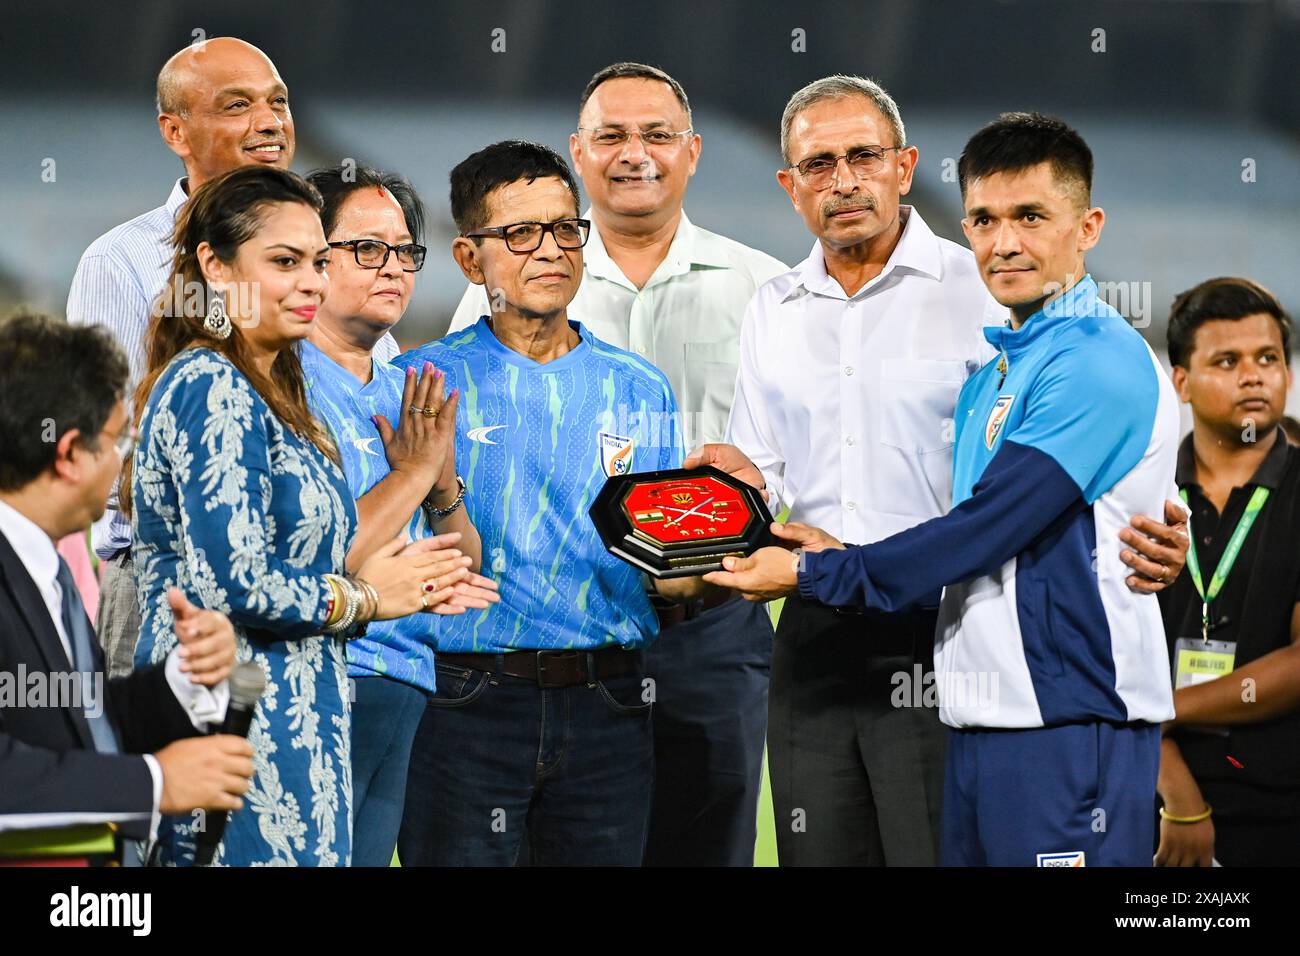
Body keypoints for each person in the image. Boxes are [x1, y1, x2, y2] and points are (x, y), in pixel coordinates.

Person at [692, 77, 1188, 866]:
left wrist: (1161, 530)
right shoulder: (773, 308)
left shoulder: (992, 297)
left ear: (904, 165)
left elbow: (1014, 509)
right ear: (790, 186)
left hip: (953, 636)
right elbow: (773, 476)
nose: (845, 179)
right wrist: (731, 489)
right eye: (820, 163)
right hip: (834, 637)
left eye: (864, 155)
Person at [450, 61, 787, 867]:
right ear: (579, 150)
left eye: (658, 134)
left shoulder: (767, 289)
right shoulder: (510, 280)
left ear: (694, 151)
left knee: (710, 836)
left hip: (708, 614)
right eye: (611, 135)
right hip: (564, 621)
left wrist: (762, 491)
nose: (635, 152)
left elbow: (794, 452)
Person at [124, 166, 473, 866]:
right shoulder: (209, 382)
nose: (312, 281)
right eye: (285, 262)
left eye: (318, 261)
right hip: (228, 719)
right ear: (215, 267)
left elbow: (314, 554)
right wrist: (370, 596)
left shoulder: (273, 392)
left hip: (300, 713)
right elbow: (233, 583)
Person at [397, 141, 706, 866]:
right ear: (471, 260)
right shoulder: (418, 382)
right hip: (465, 702)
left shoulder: (641, 387)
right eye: (521, 233)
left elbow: (673, 571)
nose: (551, 250)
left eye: (567, 228)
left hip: (612, 700)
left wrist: (718, 538)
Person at [66, 36, 399, 679]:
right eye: (237, 105)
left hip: (311, 581)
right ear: (175, 130)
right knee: (195, 774)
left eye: (278, 101)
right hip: (168, 587)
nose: (269, 121)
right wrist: (241, 517)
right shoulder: (122, 261)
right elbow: (109, 456)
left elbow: (360, 407)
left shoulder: (317, 255)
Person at [0, 312, 253, 863]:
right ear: (68, 453)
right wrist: (152, 783)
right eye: (118, 438)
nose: (124, 458)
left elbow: (79, 716)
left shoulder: (46, 566)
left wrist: (184, 679)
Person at [301, 163, 498, 866]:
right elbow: (311, 560)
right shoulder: (278, 384)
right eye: (368, 248)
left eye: (406, 250)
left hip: (408, 679)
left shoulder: (405, 387)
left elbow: (463, 564)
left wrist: (441, 490)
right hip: (322, 678)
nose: (394, 267)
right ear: (307, 256)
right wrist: (412, 474)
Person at [1155, 277, 1300, 866]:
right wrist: (1170, 780)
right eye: (1228, 360)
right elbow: (1100, 658)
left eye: (1268, 358)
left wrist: (1156, 714)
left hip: (1279, 805)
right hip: (1145, 796)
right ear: (1181, 382)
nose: (1253, 375)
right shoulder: (1139, 488)